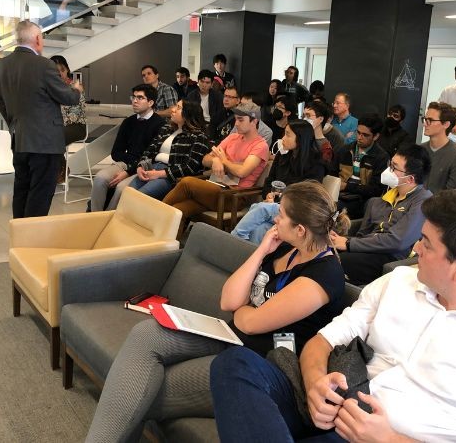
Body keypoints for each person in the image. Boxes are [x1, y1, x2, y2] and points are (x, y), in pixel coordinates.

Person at [210, 190, 456, 442]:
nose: (414, 250)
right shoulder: (399, 282)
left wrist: (389, 439)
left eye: (426, 244)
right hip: (337, 405)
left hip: (381, 437)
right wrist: (315, 382)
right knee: (235, 363)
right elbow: (324, 339)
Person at [86, 181, 347, 442]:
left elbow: (251, 324)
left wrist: (244, 310)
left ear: (300, 229)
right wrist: (260, 251)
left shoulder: (325, 274)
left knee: (143, 390)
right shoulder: (285, 249)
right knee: (147, 333)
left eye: (281, 214)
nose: (275, 218)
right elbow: (228, 300)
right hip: (230, 336)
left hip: (259, 363)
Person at [0, 21, 82, 218]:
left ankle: (20, 236)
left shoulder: (2, 66)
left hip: (20, 139)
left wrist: (14, 124)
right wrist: (76, 90)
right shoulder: (45, 65)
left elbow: (1, 102)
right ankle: (31, 242)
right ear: (37, 39)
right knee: (40, 193)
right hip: (45, 142)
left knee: (22, 189)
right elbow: (68, 98)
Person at [330, 144, 433, 285]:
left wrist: (348, 243)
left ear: (410, 179)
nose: (388, 171)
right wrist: (341, 240)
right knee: (324, 251)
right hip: (368, 250)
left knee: (335, 262)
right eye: (390, 165)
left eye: (394, 168)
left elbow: (397, 241)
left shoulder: (423, 201)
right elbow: (362, 235)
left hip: (392, 257)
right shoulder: (380, 200)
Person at [163, 102, 269, 233]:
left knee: (186, 182)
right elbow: (205, 159)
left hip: (234, 195)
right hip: (215, 187)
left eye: (241, 120)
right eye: (235, 119)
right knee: (179, 210)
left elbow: (242, 172)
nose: (236, 123)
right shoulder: (233, 137)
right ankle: (169, 248)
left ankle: (156, 216)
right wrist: (217, 160)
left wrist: (223, 159)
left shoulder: (260, 145)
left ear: (254, 122)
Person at [232, 120, 327, 244]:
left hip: (296, 211)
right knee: (260, 230)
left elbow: (307, 197)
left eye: (288, 135)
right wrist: (268, 194)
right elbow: (269, 181)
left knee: (260, 208)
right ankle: (251, 259)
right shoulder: (283, 155)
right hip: (276, 206)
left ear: (300, 139)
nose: (283, 138)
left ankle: (234, 239)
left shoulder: (316, 164)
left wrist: (281, 200)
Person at [89, 84, 164, 211]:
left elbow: (151, 156)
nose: (134, 101)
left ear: (150, 102)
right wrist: (128, 165)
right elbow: (116, 152)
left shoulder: (160, 124)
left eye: (140, 98)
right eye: (133, 97)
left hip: (144, 167)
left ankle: (109, 219)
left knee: (121, 188)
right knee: (100, 178)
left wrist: (129, 170)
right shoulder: (128, 122)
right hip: (125, 163)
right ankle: (94, 216)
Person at [128, 101, 211, 200]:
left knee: (138, 197)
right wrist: (140, 166)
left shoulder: (199, 136)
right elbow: (149, 150)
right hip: (151, 168)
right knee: (127, 192)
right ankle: (113, 215)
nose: (173, 109)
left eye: (178, 107)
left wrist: (160, 173)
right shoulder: (167, 129)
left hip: (171, 176)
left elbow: (190, 167)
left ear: (188, 114)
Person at [336, 114, 388, 219]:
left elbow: (376, 190)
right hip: (339, 195)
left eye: (365, 135)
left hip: (363, 200)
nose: (359, 137)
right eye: (358, 133)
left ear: (376, 136)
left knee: (335, 209)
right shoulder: (344, 150)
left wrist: (346, 186)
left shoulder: (381, 157)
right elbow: (331, 174)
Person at [50, 55, 87, 182]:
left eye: (62, 70)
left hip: (76, 126)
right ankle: (57, 168)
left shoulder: (75, 86)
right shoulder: (50, 88)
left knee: (53, 136)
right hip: (57, 127)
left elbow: (75, 114)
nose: (59, 73)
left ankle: (61, 169)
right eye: (55, 71)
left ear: (67, 70)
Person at [420, 102, 456, 193]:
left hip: (440, 205)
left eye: (430, 120)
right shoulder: (420, 150)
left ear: (446, 124)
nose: (425, 124)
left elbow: (452, 195)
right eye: (425, 119)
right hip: (414, 203)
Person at [186, 69, 226, 141]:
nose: (204, 85)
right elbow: (188, 115)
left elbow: (221, 115)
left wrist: (210, 126)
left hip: (212, 126)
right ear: (198, 81)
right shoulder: (191, 96)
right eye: (202, 81)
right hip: (196, 126)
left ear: (211, 84)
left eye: (207, 83)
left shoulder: (218, 96)